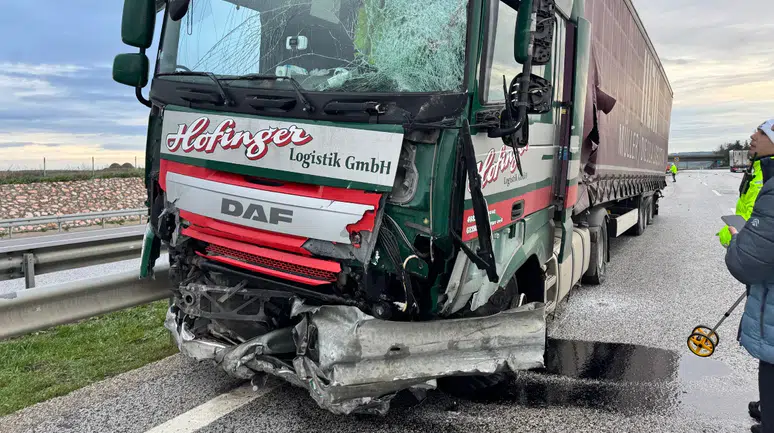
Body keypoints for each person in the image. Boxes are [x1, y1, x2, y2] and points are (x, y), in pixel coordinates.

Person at [725, 118, 774, 433]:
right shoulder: (763, 175)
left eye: (762, 131)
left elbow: (748, 261)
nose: (753, 135)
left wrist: (737, 240)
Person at [717, 124, 774, 248]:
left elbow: (758, 226)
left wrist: (726, 235)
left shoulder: (768, 173)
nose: (753, 136)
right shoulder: (760, 170)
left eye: (763, 133)